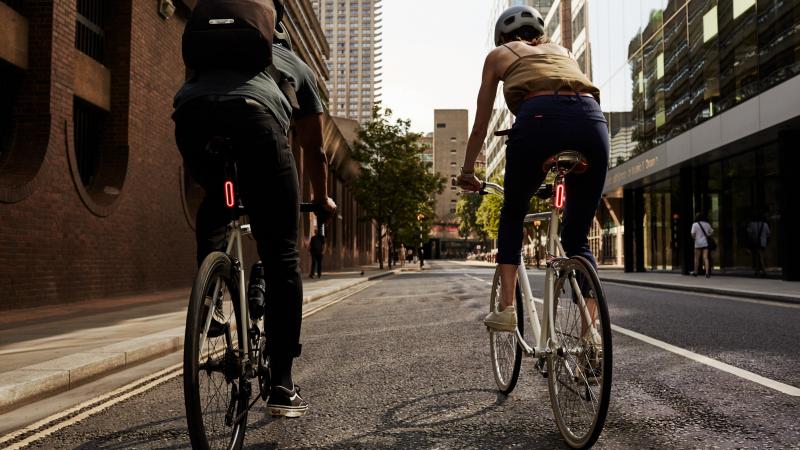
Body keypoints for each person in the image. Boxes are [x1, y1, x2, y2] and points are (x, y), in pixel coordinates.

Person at [172, 20, 336, 417]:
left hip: (192, 119)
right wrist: (321, 199)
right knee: (282, 258)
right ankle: (281, 383)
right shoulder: (295, 66)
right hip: (256, 126)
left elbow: (202, 93)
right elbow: (314, 149)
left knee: (219, 198)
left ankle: (210, 300)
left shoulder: (208, 57)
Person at [457, 5, 608, 332]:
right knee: (577, 239)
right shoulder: (563, 51)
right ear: (539, 33)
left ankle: (507, 309)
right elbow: (573, 100)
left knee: (512, 212)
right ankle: (590, 336)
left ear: (503, 37)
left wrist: (467, 171)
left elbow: (480, 127)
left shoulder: (499, 55)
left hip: (539, 118)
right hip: (593, 121)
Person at [690, 212, 714, 278]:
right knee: (705, 258)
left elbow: (692, 234)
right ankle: (707, 272)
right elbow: (712, 232)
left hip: (697, 243)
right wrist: (708, 235)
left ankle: (695, 272)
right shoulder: (707, 224)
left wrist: (695, 238)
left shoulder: (695, 224)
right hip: (705, 243)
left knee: (697, 258)